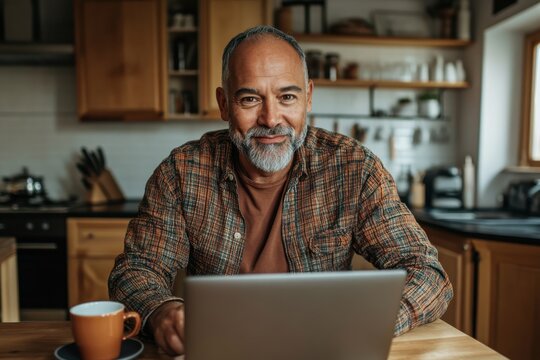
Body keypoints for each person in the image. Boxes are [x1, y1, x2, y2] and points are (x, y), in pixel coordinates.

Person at [109, 25, 453, 356]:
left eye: (287, 96)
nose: (271, 118)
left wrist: (366, 325)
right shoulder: (182, 172)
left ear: (309, 98)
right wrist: (162, 311)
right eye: (249, 99)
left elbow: (426, 271)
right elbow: (137, 270)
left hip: (322, 349)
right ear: (224, 104)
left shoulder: (354, 169)